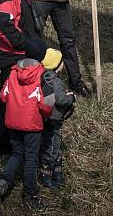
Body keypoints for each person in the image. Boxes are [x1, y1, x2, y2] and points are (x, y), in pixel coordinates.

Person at [0, 0, 47, 154]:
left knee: (19, 101)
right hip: (13, 56)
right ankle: (4, 146)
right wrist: (27, 45)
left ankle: (19, 143)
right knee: (7, 102)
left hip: (20, 53)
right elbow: (4, 26)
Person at [0, 44, 51, 210]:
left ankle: (3, 183)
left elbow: (3, 96)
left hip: (13, 122)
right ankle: (30, 194)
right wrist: (46, 116)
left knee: (17, 153)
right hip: (32, 124)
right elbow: (48, 103)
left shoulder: (13, 72)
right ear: (42, 56)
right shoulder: (44, 75)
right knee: (31, 159)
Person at [38, 48, 76, 189]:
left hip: (46, 117)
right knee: (53, 144)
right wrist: (71, 97)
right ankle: (46, 173)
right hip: (54, 118)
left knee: (51, 142)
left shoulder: (43, 77)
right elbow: (60, 100)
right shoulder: (56, 81)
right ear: (56, 65)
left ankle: (56, 170)